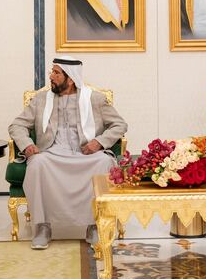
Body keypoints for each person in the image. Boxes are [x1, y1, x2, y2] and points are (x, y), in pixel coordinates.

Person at [8, 56, 128, 249]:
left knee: (103, 163)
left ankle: (94, 225)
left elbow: (120, 124)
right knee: (37, 164)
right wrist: (27, 144)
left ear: (70, 78)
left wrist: (99, 142)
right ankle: (42, 227)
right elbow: (17, 125)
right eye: (52, 72)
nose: (51, 76)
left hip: (85, 153)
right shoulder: (40, 99)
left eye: (56, 73)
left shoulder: (94, 99)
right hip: (52, 152)